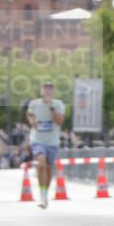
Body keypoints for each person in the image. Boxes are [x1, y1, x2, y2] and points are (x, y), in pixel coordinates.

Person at [26, 81, 66, 209]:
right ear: (41, 90)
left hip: (52, 142)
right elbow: (29, 114)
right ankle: (42, 195)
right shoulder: (34, 104)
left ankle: (45, 193)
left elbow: (59, 121)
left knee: (48, 169)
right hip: (37, 140)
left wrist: (51, 108)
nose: (47, 91)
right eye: (45, 88)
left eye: (50, 88)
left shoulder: (58, 104)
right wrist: (32, 121)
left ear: (53, 91)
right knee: (41, 163)